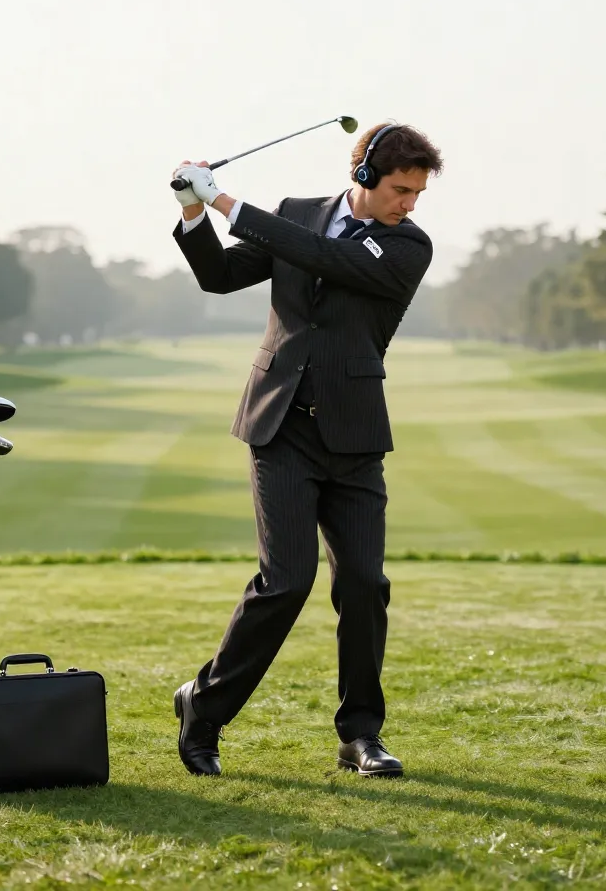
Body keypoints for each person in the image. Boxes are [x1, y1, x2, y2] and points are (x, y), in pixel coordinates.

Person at [168, 122, 444, 779]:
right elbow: (220, 276)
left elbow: (329, 259)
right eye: (401, 188)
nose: (410, 202)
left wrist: (230, 203)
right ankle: (202, 710)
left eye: (417, 192)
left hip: (353, 438)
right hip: (281, 427)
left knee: (363, 583)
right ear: (367, 174)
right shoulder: (293, 217)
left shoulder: (408, 246)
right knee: (286, 581)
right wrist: (193, 210)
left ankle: (360, 736)